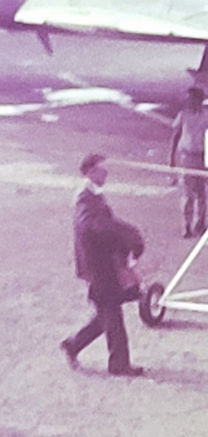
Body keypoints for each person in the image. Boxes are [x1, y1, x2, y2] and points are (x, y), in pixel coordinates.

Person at [60, 153, 146, 377]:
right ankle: (119, 364)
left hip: (99, 264)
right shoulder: (86, 199)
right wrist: (127, 236)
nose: (105, 172)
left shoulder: (89, 195)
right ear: (90, 172)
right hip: (99, 266)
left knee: (106, 314)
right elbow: (96, 226)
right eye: (101, 169)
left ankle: (73, 344)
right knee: (112, 314)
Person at [169, 87, 208, 238]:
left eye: (191, 99)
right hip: (187, 157)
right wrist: (171, 158)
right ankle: (186, 224)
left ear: (199, 100)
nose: (188, 101)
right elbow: (175, 136)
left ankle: (201, 222)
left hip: (202, 156)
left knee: (201, 193)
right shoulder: (183, 116)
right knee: (187, 193)